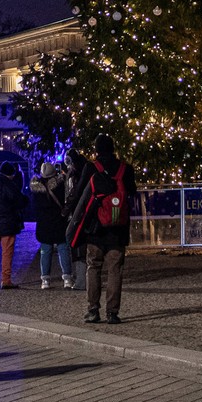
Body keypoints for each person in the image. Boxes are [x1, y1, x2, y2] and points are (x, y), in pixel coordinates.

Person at [68, 135, 135, 324]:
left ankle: (93, 310)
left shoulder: (91, 168)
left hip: (95, 228)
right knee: (115, 269)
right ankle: (113, 312)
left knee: (93, 267)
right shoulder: (125, 169)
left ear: (97, 149)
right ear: (113, 148)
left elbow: (80, 192)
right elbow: (132, 191)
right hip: (118, 228)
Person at [0, 161, 28, 289]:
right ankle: (6, 280)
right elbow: (19, 201)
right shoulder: (8, 185)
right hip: (7, 223)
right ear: (10, 174)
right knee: (7, 252)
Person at [31, 162, 75, 290]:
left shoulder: (35, 188)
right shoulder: (60, 184)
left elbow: (33, 207)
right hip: (59, 220)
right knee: (63, 249)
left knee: (45, 251)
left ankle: (45, 280)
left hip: (44, 223)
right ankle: (67, 278)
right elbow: (66, 199)